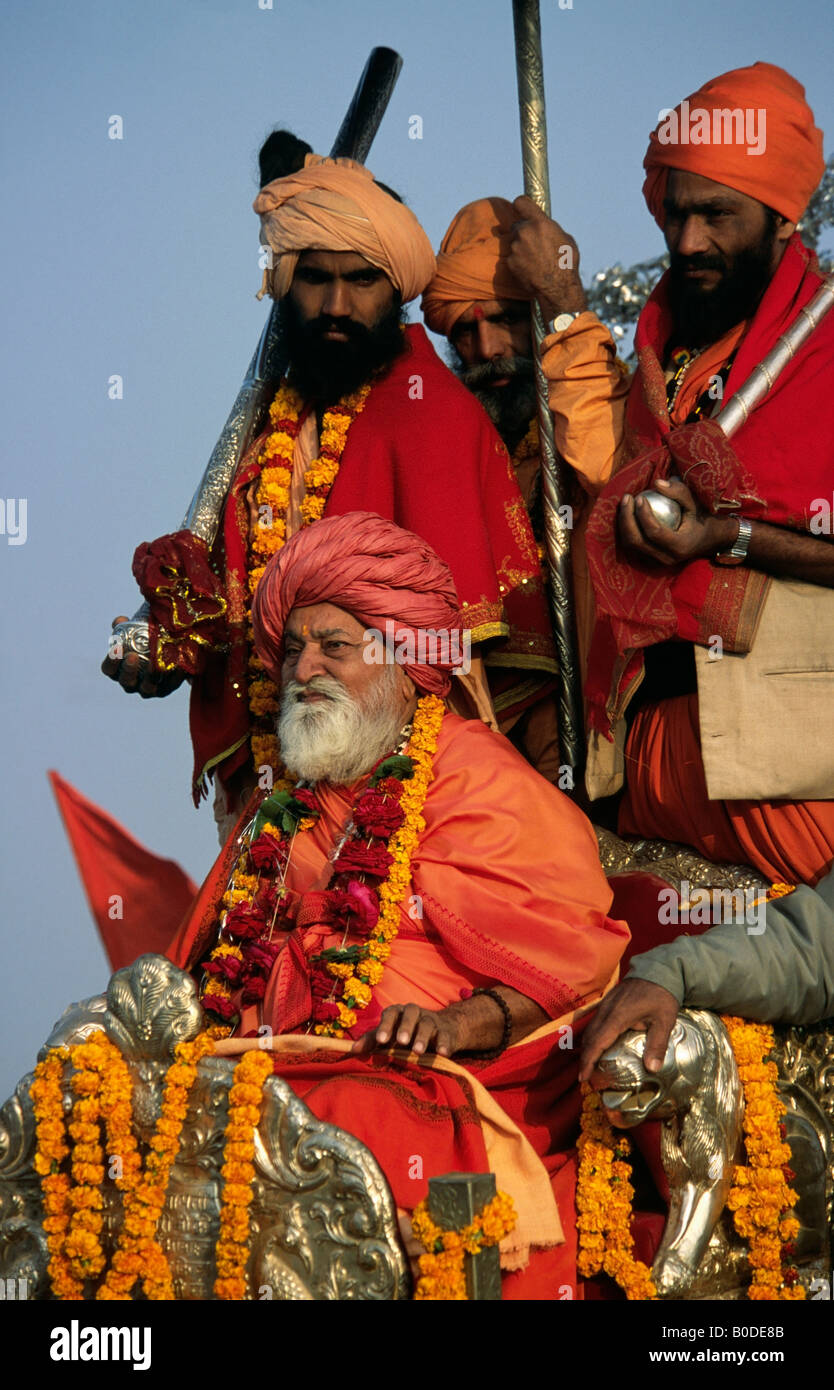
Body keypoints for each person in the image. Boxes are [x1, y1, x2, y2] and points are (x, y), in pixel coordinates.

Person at [167, 511, 630, 1298]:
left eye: (334, 647)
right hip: (258, 1066)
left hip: (421, 1074)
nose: (304, 669)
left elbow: (575, 963)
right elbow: (199, 966)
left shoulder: (477, 775)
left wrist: (452, 1026)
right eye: (292, 650)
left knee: (349, 1110)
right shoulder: (277, 810)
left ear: (404, 659)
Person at [104, 137, 557, 835]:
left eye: (363, 281)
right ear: (285, 284)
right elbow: (234, 605)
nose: (338, 305)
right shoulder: (270, 422)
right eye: (316, 278)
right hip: (268, 782)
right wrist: (173, 639)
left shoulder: (432, 413)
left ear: (398, 291)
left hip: (397, 793)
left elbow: (455, 659)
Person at [499, 63, 834, 885]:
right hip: (640, 768)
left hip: (787, 784)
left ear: (783, 219)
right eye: (675, 213)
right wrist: (569, 307)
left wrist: (730, 535)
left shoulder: (822, 354)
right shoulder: (668, 354)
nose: (687, 243)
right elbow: (611, 474)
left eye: (717, 215)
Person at [422, 197, 629, 778]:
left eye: (508, 319)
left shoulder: (612, 405)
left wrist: (564, 299)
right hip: (479, 755)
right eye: (466, 330)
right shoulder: (444, 451)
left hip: (604, 741)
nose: (488, 350)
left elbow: (604, 465)